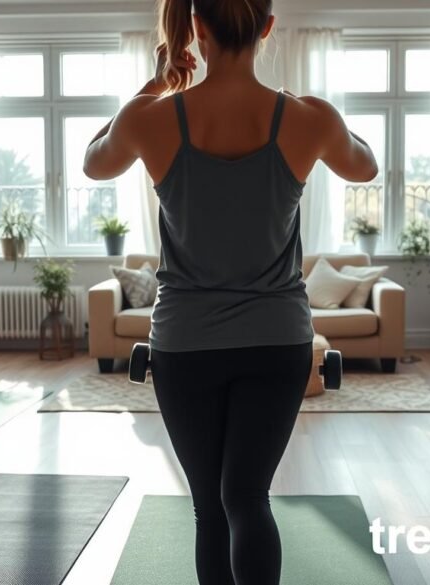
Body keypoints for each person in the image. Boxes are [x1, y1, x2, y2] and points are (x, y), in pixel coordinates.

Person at [83, 1, 377, 582]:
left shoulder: (152, 118)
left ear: (197, 27)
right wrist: (319, 114)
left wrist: (154, 85)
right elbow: (363, 167)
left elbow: (95, 164)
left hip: (185, 346)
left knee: (209, 509)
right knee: (247, 498)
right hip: (277, 344)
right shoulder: (307, 117)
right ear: (267, 26)